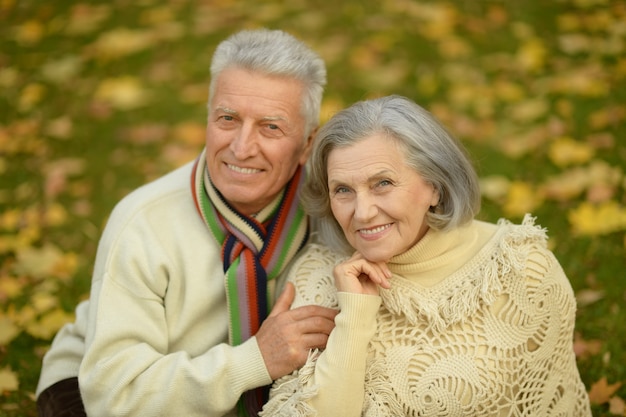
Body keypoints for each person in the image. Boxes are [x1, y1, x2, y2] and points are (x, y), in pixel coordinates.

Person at [35, 28, 339, 417]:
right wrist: (254, 360)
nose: (242, 148)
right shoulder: (142, 222)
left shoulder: (334, 209)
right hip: (102, 385)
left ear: (308, 144)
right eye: (228, 119)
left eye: (271, 127)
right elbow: (113, 395)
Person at [260, 95, 592, 416]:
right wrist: (354, 318)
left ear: (434, 185)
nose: (362, 213)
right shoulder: (317, 273)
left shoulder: (521, 266)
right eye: (343, 190)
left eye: (383, 183)